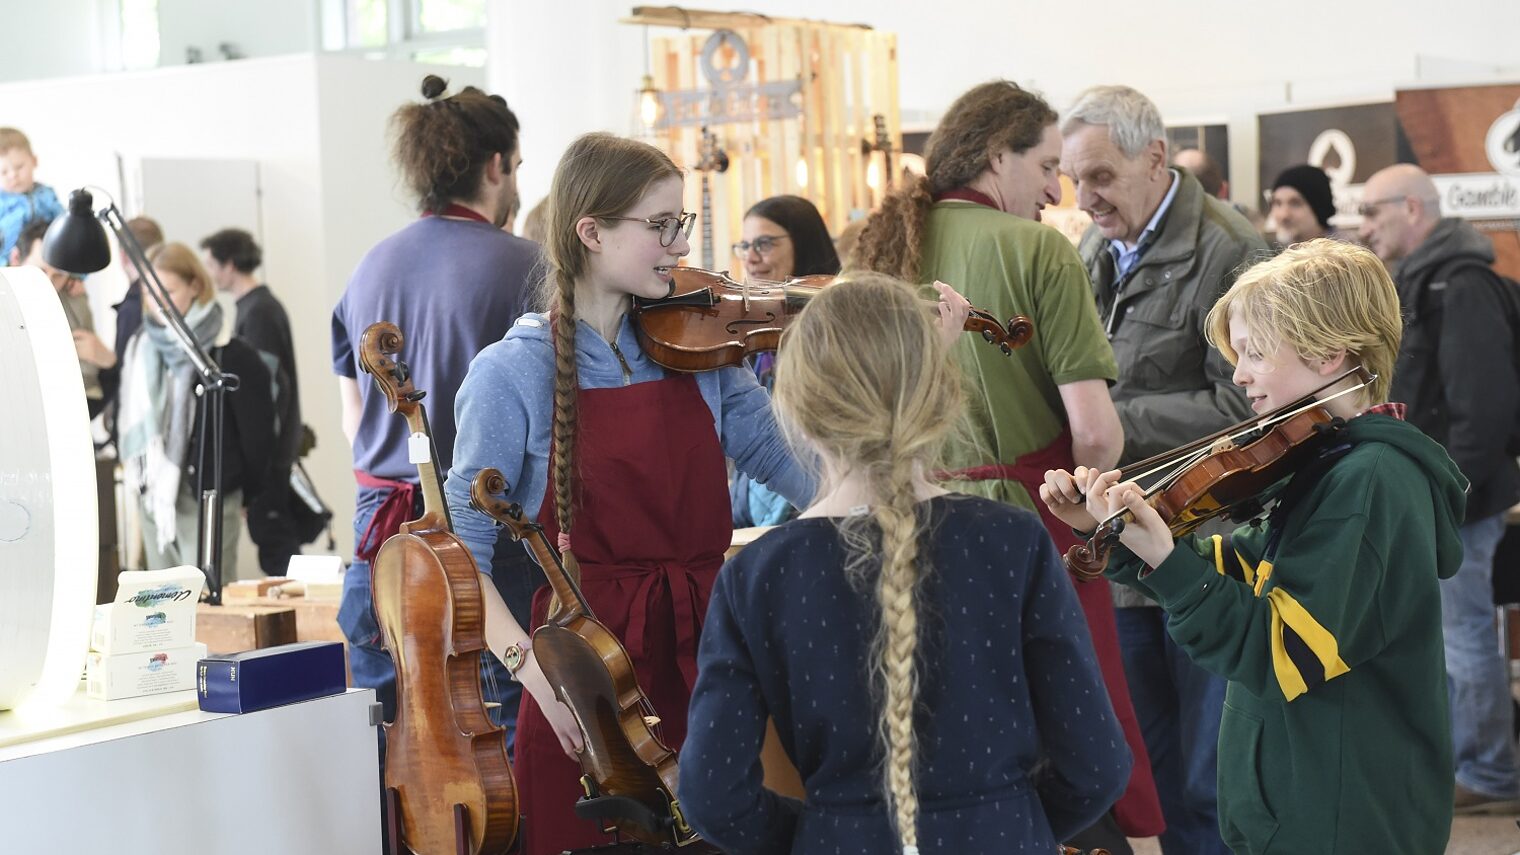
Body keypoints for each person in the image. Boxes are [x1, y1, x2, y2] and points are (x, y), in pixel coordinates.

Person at [442, 132, 819, 855]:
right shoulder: (509, 372)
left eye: (683, 224)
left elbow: (785, 457)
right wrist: (531, 674)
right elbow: (465, 555)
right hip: (585, 676)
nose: (681, 245)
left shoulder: (697, 347)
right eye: (661, 225)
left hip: (711, 657)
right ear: (591, 232)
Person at [679, 273, 1132, 855]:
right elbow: (1096, 764)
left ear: (796, 411)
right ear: (941, 397)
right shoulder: (1013, 542)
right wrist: (1011, 821)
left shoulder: (757, 574)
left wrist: (821, 833)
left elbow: (712, 794)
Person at [1041, 239, 1465, 854]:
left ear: (1329, 355)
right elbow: (1237, 567)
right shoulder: (1325, 464)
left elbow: (1283, 648)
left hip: (1341, 818)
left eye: (1256, 354)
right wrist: (1110, 529)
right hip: (1301, 808)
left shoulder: (1370, 481)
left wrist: (1165, 559)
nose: (1238, 375)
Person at [853, 79, 1162, 848]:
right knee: (1074, 732)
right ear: (999, 157)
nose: (1058, 191)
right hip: (1039, 526)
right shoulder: (1038, 250)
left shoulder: (882, 252)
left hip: (913, 523)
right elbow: (1095, 437)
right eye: (1047, 165)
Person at [1061, 83, 1267, 855]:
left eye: (1101, 176)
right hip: (1125, 553)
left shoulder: (1232, 250)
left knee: (1212, 781)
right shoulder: (1093, 250)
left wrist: (1101, 429)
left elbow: (1246, 407)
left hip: (1208, 549)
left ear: (1154, 158)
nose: (1085, 198)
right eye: (1075, 179)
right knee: (1151, 775)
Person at [330, 75, 538, 742]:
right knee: (499, 717)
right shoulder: (527, 266)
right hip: (485, 523)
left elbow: (350, 416)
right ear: (496, 164)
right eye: (517, 167)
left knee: (386, 721)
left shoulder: (370, 265)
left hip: (380, 526)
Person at [1359, 163, 1520, 814]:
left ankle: (1488, 775)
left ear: (1411, 209)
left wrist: (1440, 494)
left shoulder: (1460, 286)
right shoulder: (1419, 283)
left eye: (1372, 212)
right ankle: (1463, 761)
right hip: (1428, 494)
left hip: (1454, 500)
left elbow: (1481, 412)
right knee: (1445, 637)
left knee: (1465, 636)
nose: (1362, 226)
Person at [118, 242, 275, 578]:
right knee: (161, 613)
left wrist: (245, 493)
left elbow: (258, 439)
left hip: (209, 499)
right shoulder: (140, 347)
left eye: (167, 291)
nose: (157, 303)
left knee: (206, 612)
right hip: (154, 496)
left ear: (196, 286)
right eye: (149, 293)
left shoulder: (229, 356)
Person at [729, 194, 841, 528]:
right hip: (754, 504)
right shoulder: (751, 329)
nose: (751, 257)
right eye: (744, 245)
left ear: (802, 243)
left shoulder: (836, 326)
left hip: (821, 495)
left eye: (764, 243)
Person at [202, 227, 303, 575]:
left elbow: (271, 391)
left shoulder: (259, 312)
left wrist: (258, 460)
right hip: (273, 452)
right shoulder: (256, 307)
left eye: (212, 265)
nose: (210, 274)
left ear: (229, 265)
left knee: (277, 548)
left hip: (271, 455)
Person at [72, 216, 164, 444]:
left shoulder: (134, 306)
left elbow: (128, 377)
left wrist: (108, 362)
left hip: (144, 426)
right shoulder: (166, 302)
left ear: (122, 256)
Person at [11, 217, 104, 414]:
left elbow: (92, 390)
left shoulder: (74, 299)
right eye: (41, 271)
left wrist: (108, 361)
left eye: (59, 275)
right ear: (16, 259)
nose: (49, 283)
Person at [0, 127, 63, 260]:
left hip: (47, 263)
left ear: (34, 161)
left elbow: (66, 231)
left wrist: (76, 275)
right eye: (4, 172)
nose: (13, 175)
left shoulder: (47, 196)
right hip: (8, 269)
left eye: (19, 166)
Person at [1269, 164, 1338, 246]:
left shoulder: (1346, 255)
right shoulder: (1270, 255)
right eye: (1278, 203)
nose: (1284, 215)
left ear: (1319, 210)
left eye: (1295, 204)